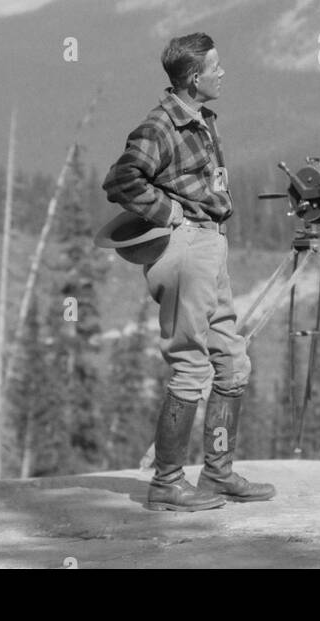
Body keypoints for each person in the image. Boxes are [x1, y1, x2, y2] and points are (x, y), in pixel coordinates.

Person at [102, 32, 275, 511]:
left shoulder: (198, 117)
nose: (223, 73)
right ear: (195, 77)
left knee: (232, 362)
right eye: (216, 67)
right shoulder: (161, 125)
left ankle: (217, 475)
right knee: (190, 364)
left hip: (210, 244)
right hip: (186, 248)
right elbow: (120, 178)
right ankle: (168, 484)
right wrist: (169, 215)